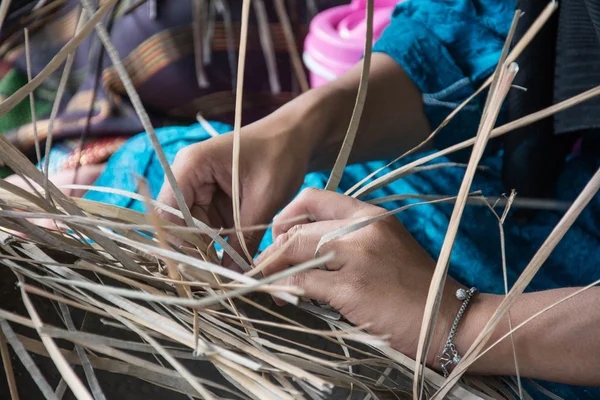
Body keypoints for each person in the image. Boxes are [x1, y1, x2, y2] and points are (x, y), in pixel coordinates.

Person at [155, 0, 600, 398]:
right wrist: (293, 131)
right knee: (157, 163)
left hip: (559, 316)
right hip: (545, 178)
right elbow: (480, 35)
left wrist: (457, 323)